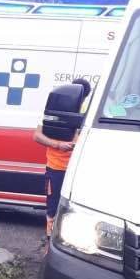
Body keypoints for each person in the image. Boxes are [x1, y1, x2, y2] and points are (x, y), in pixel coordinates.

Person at [33, 77, 92, 239]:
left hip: (79, 168)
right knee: (53, 206)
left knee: (78, 208)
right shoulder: (54, 110)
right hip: (57, 167)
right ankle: (50, 239)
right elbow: (37, 136)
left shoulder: (90, 112)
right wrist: (58, 144)